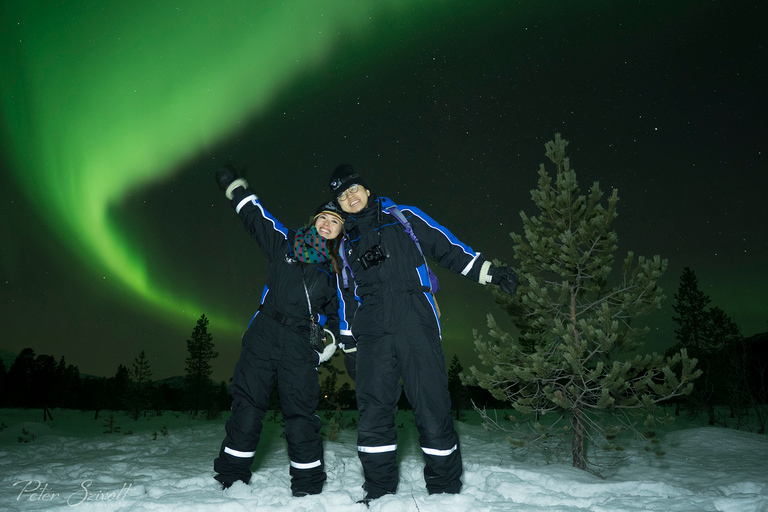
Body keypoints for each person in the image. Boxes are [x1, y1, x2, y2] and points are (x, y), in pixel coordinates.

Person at [329, 164, 518, 503]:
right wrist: (348, 343)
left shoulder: (402, 216)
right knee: (373, 411)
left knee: (430, 403)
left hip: (415, 317)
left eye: (353, 188)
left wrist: (489, 273)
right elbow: (346, 297)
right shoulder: (344, 244)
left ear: (367, 190)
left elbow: (446, 247)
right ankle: (379, 491)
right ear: (339, 205)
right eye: (341, 195)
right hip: (372, 328)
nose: (349, 196)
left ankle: (445, 491)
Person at [212, 166, 345, 497]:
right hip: (263, 334)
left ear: (341, 230)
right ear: (314, 221)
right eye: (324, 218)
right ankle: (231, 477)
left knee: (301, 414)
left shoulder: (336, 271)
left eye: (336, 221)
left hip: (300, 345)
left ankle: (308, 485)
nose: (328, 225)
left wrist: (327, 339)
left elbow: (339, 314)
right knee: (248, 405)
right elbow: (257, 218)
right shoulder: (286, 243)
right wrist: (235, 188)